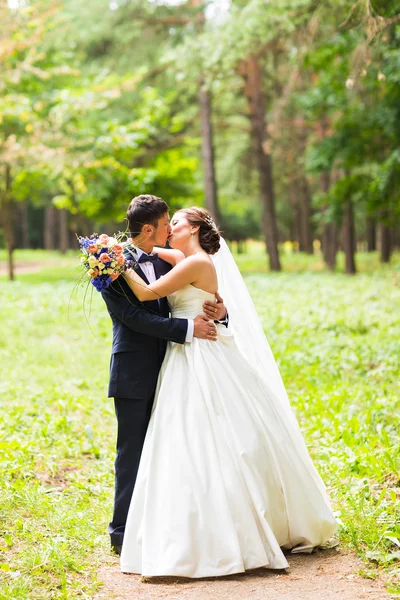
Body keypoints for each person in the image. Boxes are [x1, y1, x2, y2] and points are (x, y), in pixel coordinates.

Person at [120, 206, 338, 578]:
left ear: (193, 230)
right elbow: (150, 250)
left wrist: (115, 265)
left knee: (208, 431)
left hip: (200, 353)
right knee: (183, 434)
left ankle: (229, 528)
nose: (170, 228)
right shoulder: (184, 256)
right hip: (183, 352)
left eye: (176, 223)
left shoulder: (197, 263)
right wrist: (115, 247)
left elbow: (146, 293)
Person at [100, 196, 228, 554]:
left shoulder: (165, 257)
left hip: (179, 370)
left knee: (178, 448)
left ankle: (169, 525)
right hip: (136, 371)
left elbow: (203, 291)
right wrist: (187, 329)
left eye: (175, 222)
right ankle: (122, 533)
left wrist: (221, 308)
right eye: (167, 222)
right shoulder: (106, 265)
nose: (171, 228)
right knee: (132, 452)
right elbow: (135, 317)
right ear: (148, 228)